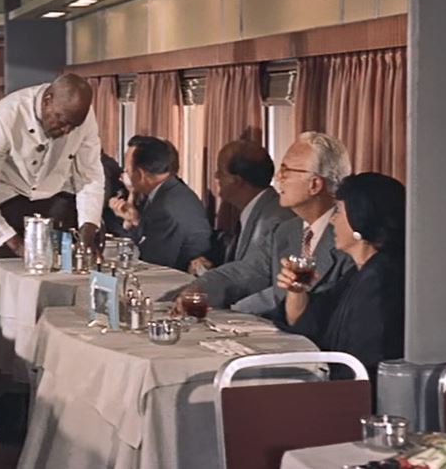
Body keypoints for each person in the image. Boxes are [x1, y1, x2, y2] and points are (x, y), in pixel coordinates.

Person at [170, 132, 356, 314]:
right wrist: (199, 290)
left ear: (314, 184)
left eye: (286, 170)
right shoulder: (286, 231)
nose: (278, 178)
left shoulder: (350, 239)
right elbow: (245, 273)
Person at [274, 172, 406, 379]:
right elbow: (309, 323)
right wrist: (296, 290)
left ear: (359, 219)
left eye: (338, 211)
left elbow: (362, 365)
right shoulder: (359, 272)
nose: (333, 220)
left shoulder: (381, 280)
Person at [0, 73, 104, 263]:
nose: (67, 131)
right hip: (6, 205)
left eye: (73, 126)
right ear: (47, 100)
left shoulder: (83, 118)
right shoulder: (5, 115)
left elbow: (90, 177)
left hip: (56, 203)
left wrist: (87, 232)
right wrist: (15, 244)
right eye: (62, 121)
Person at [188, 140, 294, 275]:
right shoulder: (259, 209)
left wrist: (211, 279)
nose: (216, 176)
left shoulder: (274, 220)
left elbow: (256, 277)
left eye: (221, 171)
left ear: (237, 181)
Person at [108, 136, 211, 272]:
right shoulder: (169, 191)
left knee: (107, 275)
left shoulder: (166, 207)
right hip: (168, 271)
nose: (125, 175)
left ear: (140, 174)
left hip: (178, 277)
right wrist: (135, 220)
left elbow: (152, 261)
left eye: (127, 171)